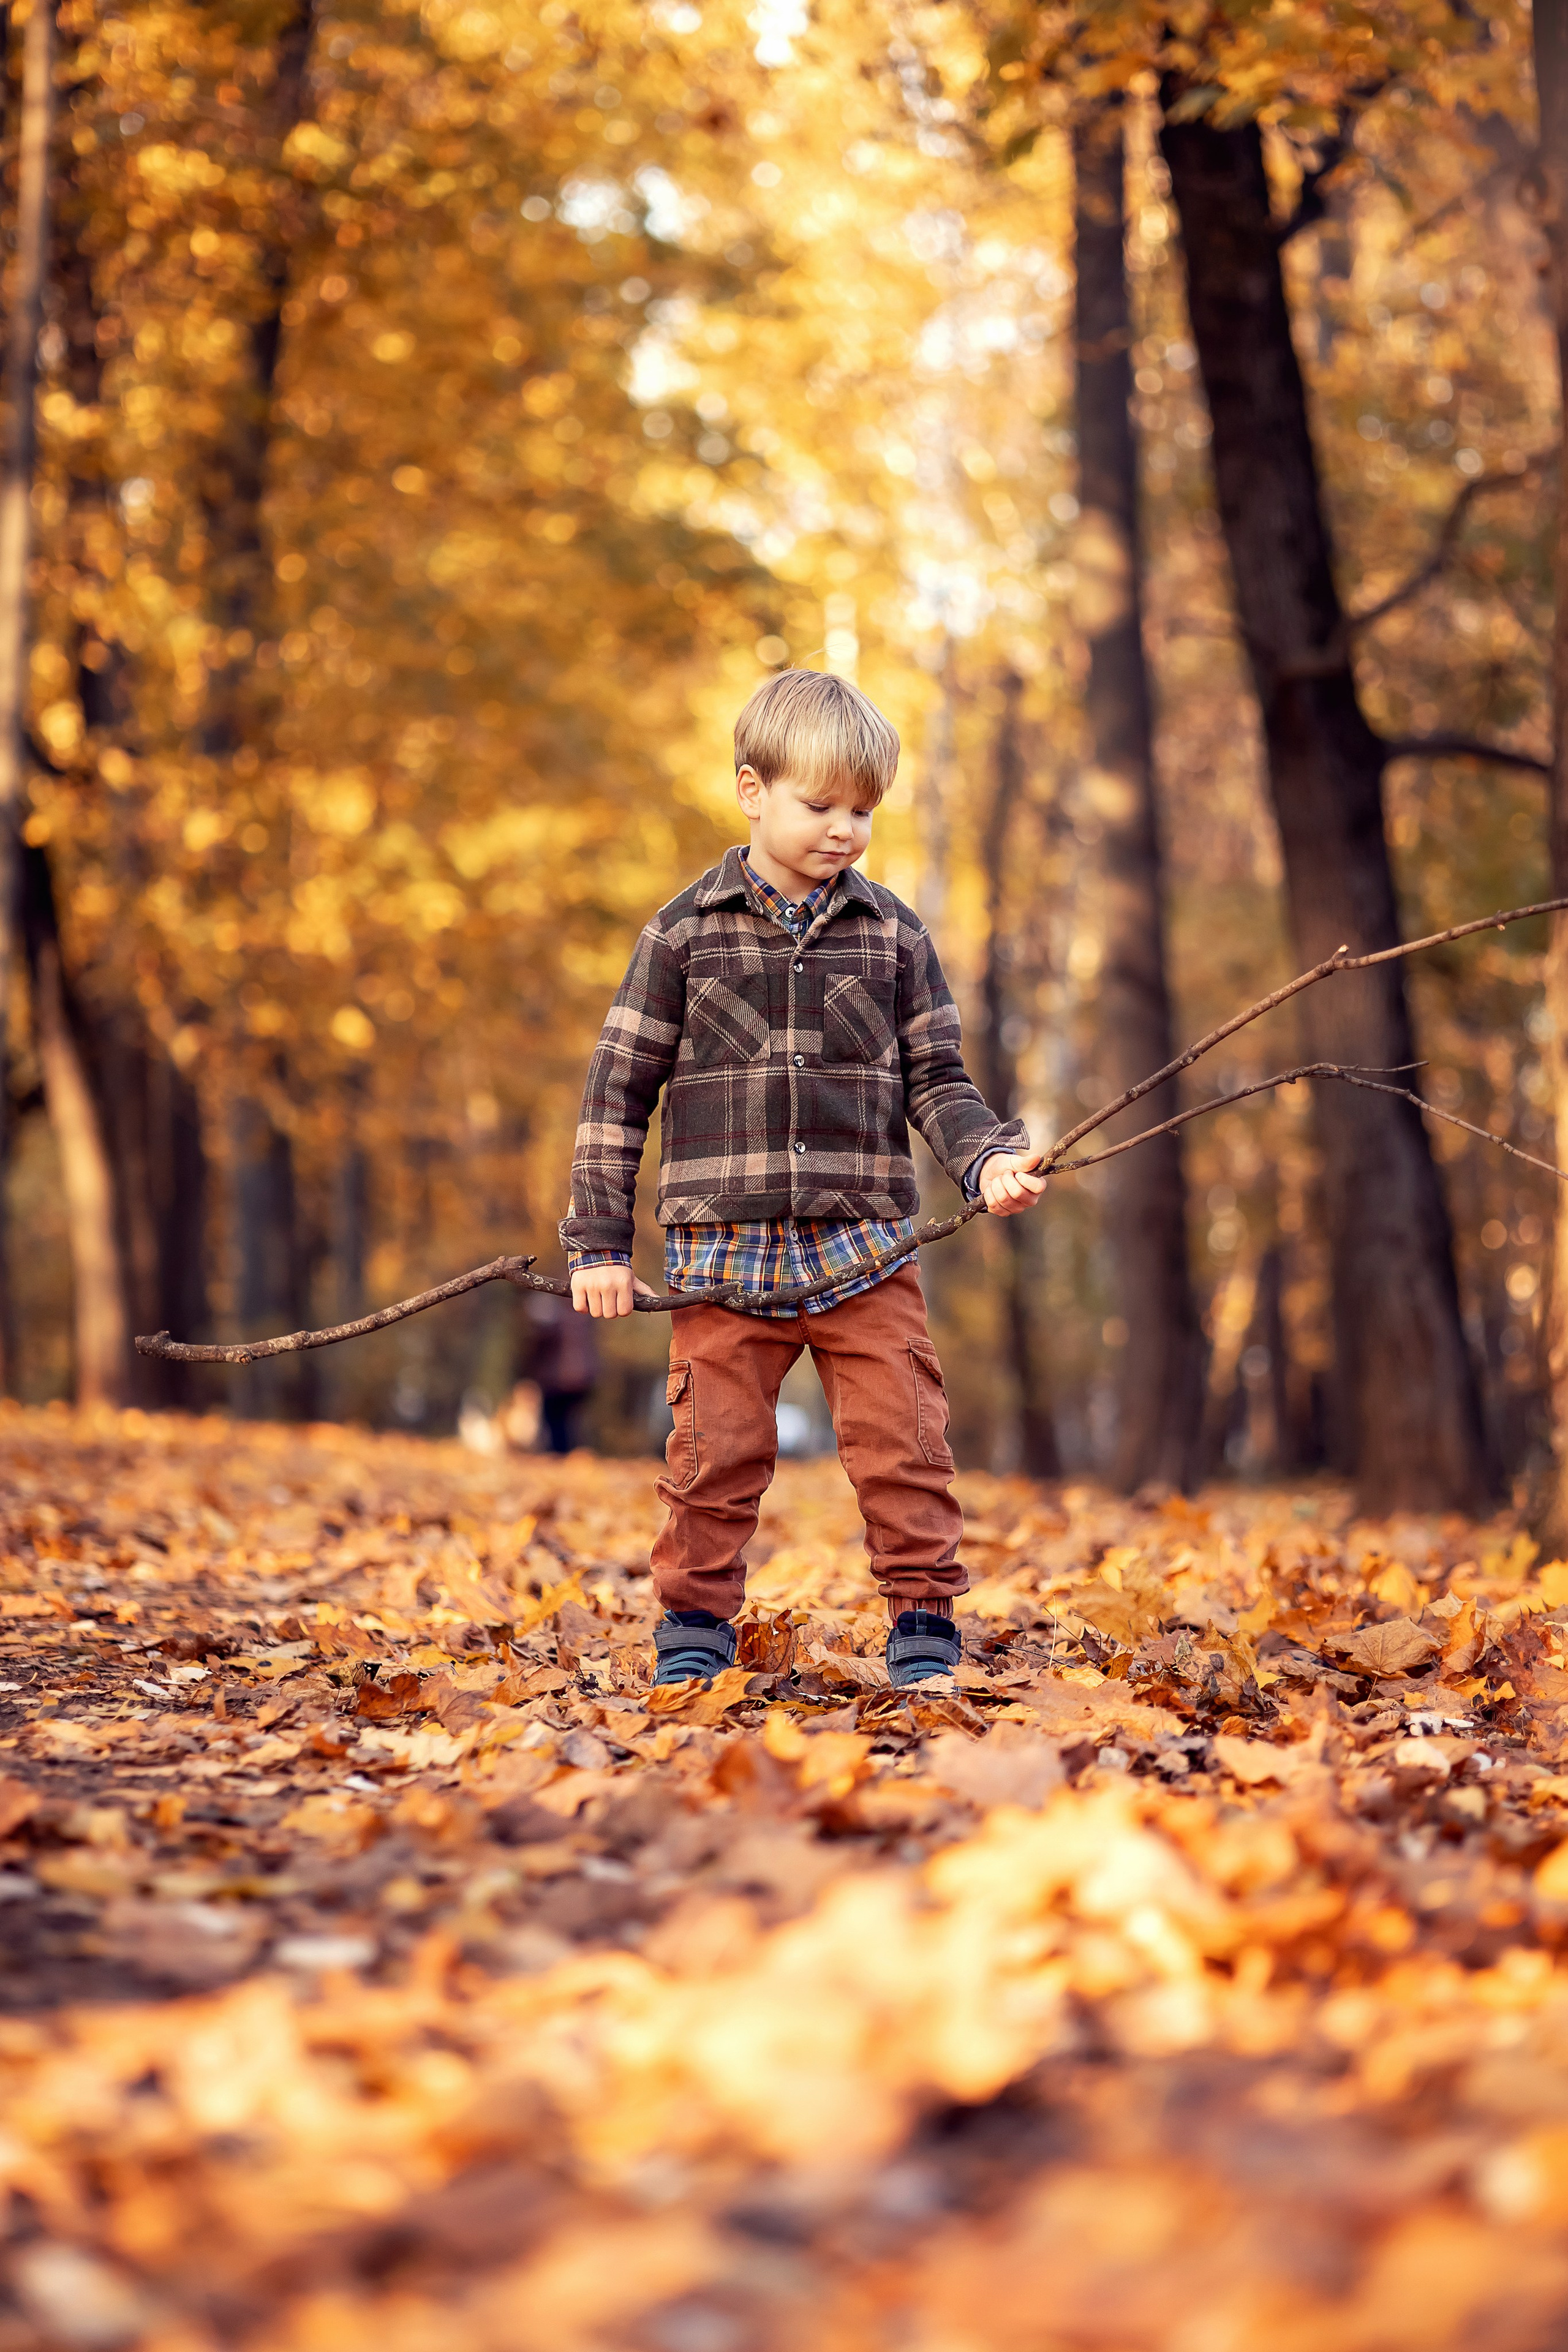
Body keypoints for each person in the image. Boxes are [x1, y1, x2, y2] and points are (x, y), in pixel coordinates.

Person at [560, 669, 1047, 1690]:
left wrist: (988, 1156)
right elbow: (618, 1092)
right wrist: (598, 1245)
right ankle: (693, 1626)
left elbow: (939, 1079)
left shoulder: (894, 936)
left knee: (905, 1446)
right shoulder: (682, 934)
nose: (844, 830)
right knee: (714, 1457)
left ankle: (923, 1626)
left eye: (863, 810)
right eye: (819, 805)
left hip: (864, 1250)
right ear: (753, 790)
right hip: (724, 1261)